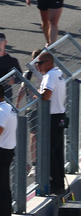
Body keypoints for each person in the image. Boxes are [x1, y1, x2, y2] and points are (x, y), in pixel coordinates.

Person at [36, 52, 67, 194]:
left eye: (40, 63)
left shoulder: (50, 76)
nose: (38, 65)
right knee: (57, 151)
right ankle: (59, 180)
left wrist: (36, 93)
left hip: (53, 117)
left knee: (49, 151)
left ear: (49, 63)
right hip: (59, 115)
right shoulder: (58, 73)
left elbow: (46, 96)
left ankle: (56, 183)